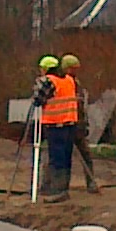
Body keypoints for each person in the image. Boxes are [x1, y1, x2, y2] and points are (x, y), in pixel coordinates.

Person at [37, 54, 79, 198]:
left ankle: (57, 190)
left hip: (55, 125)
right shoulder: (69, 80)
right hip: (70, 124)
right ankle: (61, 188)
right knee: (65, 157)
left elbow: (38, 100)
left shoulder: (49, 81)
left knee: (56, 158)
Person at [61, 54, 101, 193]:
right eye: (73, 68)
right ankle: (61, 185)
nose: (76, 71)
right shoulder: (63, 83)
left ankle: (90, 183)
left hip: (78, 125)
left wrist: (84, 124)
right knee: (63, 157)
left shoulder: (76, 83)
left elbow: (81, 106)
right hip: (66, 125)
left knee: (86, 155)